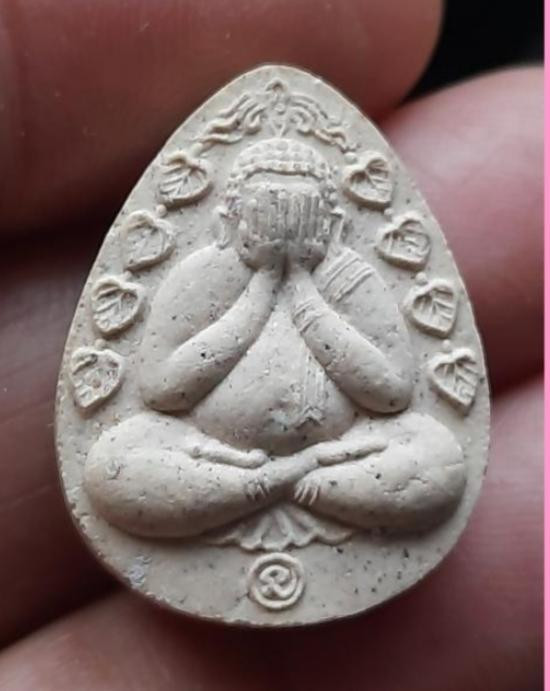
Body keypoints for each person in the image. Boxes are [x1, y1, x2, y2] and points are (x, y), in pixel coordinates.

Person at [0, 1, 542, 689]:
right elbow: (161, 390)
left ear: (331, 220)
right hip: (210, 453)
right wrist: (258, 290)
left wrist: (306, 292)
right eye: (264, 208)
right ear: (229, 216)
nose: (281, 221)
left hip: (342, 453)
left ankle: (289, 482)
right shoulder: (201, 273)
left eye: (299, 209)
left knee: (437, 459)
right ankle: (260, 485)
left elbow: (392, 393)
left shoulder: (350, 275)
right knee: (112, 463)